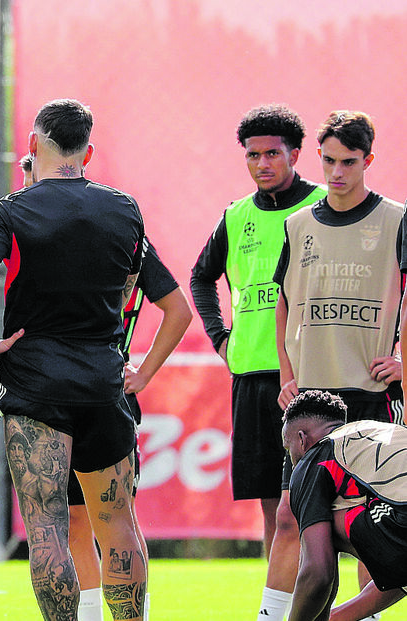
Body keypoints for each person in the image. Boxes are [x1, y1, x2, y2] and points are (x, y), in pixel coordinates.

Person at [0, 98, 146, 621]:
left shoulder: (11, 210)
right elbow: (130, 289)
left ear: (34, 145)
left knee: (46, 529)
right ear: (88, 150)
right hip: (104, 383)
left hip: (35, 387)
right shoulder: (124, 208)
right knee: (118, 523)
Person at [16, 155, 192, 620]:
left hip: (57, 393)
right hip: (92, 391)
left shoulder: (27, 222)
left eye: (30, 169)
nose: (27, 179)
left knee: (103, 524)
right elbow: (178, 311)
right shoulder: (45, 228)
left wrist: (144, 372)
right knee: (85, 524)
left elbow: (177, 309)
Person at [190, 104, 326, 620]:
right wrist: (221, 338)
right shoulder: (236, 215)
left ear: (295, 153)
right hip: (251, 374)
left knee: (319, 503)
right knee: (274, 503)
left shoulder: (320, 207)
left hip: (311, 377)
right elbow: (201, 278)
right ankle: (282, 608)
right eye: (253, 155)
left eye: (273, 153)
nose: (262, 163)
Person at [275, 110, 403, 620]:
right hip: (313, 399)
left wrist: (403, 364)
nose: (336, 172)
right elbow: (283, 301)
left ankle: (360, 617)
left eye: (348, 162)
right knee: (291, 515)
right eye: (328, 161)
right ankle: (270, 614)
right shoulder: (298, 223)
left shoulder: (397, 218)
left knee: (371, 520)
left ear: (368, 160)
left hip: (370, 392)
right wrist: (287, 375)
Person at [283, 390, 407, 620]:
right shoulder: (374, 431)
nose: (291, 459)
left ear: (301, 439)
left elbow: (317, 573)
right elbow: (400, 567)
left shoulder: (315, 457)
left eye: (287, 447)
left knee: (322, 529)